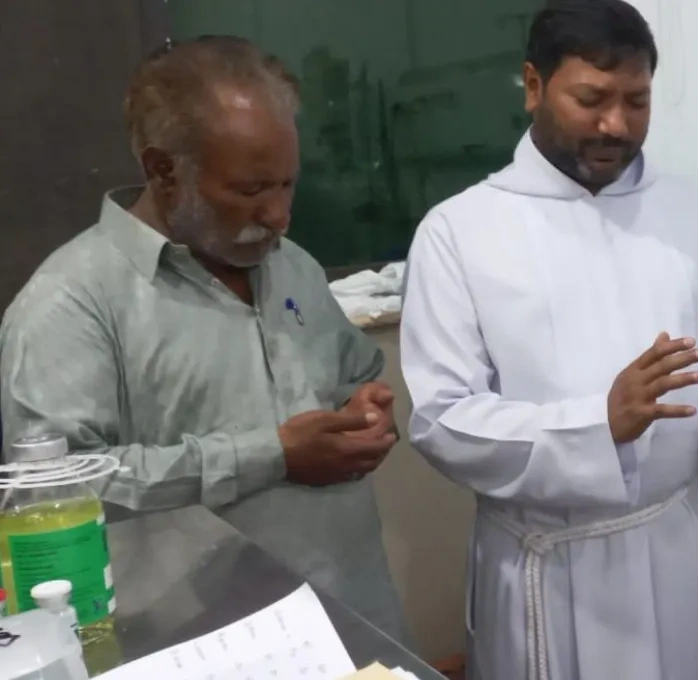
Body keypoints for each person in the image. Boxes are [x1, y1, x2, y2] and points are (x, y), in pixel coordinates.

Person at [398, 1, 698, 678]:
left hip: (685, 547)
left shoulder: (693, 216)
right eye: (591, 99)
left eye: (637, 101)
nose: (616, 125)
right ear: (533, 86)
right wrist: (598, 424)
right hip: (557, 570)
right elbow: (444, 420)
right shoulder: (461, 233)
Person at [0, 36, 409, 643]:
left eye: (287, 184)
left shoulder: (291, 264)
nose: (279, 214)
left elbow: (351, 373)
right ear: (163, 170)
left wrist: (367, 410)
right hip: (204, 641)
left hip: (353, 612)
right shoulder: (71, 303)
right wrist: (270, 455)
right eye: (250, 190)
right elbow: (56, 493)